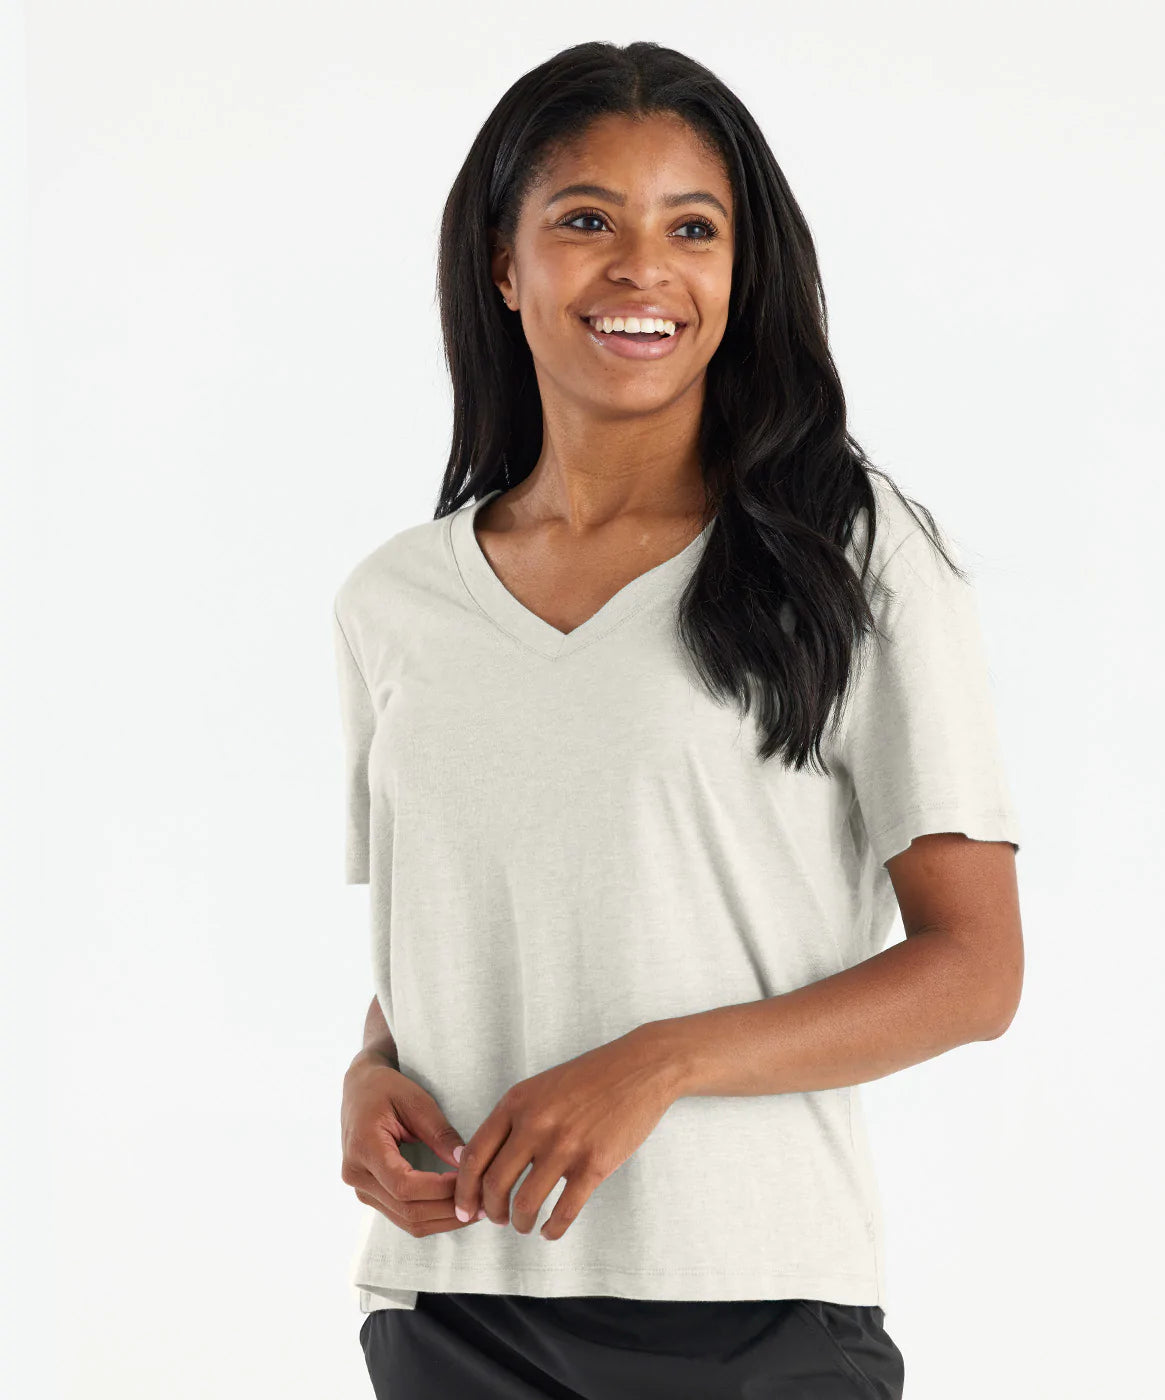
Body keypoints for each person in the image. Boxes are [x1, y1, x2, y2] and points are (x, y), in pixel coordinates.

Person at [331, 39, 1022, 1400]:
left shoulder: (854, 558)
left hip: (755, 1307)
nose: (642, 268)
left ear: (740, 272)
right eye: (588, 220)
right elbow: (472, 913)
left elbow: (976, 969)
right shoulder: (396, 600)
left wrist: (660, 1064)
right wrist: (371, 1067)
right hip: (452, 1305)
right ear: (504, 265)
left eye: (692, 228)